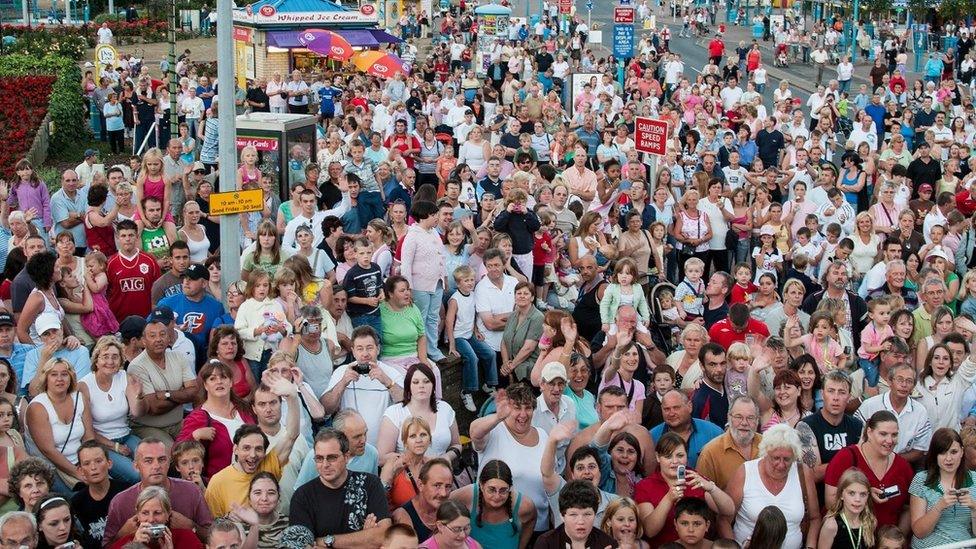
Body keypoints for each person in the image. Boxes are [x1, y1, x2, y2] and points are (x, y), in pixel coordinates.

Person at [203, 374, 300, 517]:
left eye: (259, 449)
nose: (253, 455)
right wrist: (227, 520)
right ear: (235, 449)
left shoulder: (268, 465)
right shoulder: (218, 482)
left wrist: (292, 396)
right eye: (246, 448)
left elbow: (292, 434)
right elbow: (212, 526)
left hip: (273, 534)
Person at [290, 429, 391, 546]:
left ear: (346, 457)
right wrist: (365, 540)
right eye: (319, 458)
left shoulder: (370, 484)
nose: (325, 464)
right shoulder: (302, 497)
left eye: (332, 457)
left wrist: (327, 541)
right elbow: (304, 546)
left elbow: (383, 535)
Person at [471, 384, 550, 533]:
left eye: (527, 408)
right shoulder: (495, 430)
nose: (523, 414)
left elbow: (550, 479)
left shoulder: (543, 435)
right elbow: (474, 431)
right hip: (499, 526)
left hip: (538, 525)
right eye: (517, 408)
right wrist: (498, 417)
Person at [103, 438, 213, 546]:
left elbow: (212, 537)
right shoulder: (120, 502)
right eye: (148, 461)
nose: (156, 466)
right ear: (136, 466)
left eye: (161, 459)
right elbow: (106, 546)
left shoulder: (191, 491)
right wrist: (123, 534)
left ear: (168, 463)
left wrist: (191, 526)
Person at [727, 423, 821, 549]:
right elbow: (724, 519)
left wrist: (810, 547)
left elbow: (815, 518)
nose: (781, 465)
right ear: (765, 453)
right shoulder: (746, 472)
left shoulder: (803, 473)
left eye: (787, 459)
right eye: (776, 458)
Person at [634, 431, 735, 545]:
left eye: (680, 455)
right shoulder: (645, 486)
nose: (675, 461)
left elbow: (729, 510)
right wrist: (668, 498)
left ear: (687, 455)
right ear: (658, 457)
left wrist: (711, 488)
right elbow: (650, 531)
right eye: (668, 456)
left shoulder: (694, 478)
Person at [824, 410, 913, 530]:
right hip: (852, 538)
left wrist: (898, 538)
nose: (890, 440)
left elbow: (908, 508)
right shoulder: (846, 458)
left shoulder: (902, 466)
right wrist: (865, 494)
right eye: (883, 434)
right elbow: (830, 503)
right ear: (869, 432)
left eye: (894, 435)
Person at [321, 326, 405, 446]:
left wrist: (387, 381)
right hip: (348, 448)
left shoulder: (391, 372)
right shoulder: (342, 371)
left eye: (369, 348)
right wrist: (343, 383)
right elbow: (325, 409)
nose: (365, 354)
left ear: (378, 349)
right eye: (360, 349)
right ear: (353, 351)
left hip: (382, 447)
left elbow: (407, 403)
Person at [78, 336, 145, 485]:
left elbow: (136, 413)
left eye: (115, 357)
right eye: (105, 357)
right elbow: (87, 430)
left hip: (126, 435)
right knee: (136, 474)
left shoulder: (124, 377)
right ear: (96, 359)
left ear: (121, 360)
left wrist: (139, 396)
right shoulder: (84, 385)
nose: (110, 362)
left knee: (150, 461)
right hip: (101, 442)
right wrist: (114, 446)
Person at [127, 312, 199, 444]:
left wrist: (166, 394)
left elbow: (194, 392)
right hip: (149, 427)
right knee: (170, 451)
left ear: (169, 338)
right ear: (143, 341)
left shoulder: (178, 357)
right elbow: (154, 407)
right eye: (152, 336)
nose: (158, 339)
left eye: (162, 334)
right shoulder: (136, 366)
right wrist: (182, 395)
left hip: (177, 423)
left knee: (198, 445)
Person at [24, 357, 93, 491]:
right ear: (46, 378)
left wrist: (89, 464)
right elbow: (48, 450)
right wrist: (77, 472)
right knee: (79, 499)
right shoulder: (38, 407)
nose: (60, 379)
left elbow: (89, 437)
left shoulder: (79, 397)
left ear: (71, 377)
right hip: (50, 468)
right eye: (54, 374)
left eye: (64, 374)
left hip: (81, 461)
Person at [908, 427, 976, 547]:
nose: (948, 459)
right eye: (942, 453)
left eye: (953, 452)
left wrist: (974, 507)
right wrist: (940, 506)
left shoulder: (974, 479)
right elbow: (919, 532)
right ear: (934, 455)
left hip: (963, 545)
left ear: (962, 452)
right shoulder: (921, 479)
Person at [449, 459, 537, 549]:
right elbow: (442, 505)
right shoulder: (468, 495)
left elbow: (531, 520)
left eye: (503, 490)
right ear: (482, 486)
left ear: (510, 488)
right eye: (492, 489)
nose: (497, 496)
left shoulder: (523, 506)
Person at [696, 396, 763, 491]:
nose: (744, 423)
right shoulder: (710, 453)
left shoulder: (768, 446)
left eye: (750, 418)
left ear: (757, 420)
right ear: (729, 417)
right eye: (738, 417)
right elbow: (702, 495)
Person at [108, 485, 206, 548]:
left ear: (168, 513)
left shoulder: (187, 538)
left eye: (157, 513)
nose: (151, 519)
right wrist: (135, 546)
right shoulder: (125, 543)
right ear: (137, 514)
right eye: (145, 513)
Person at [649, 391, 723, 469]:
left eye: (676, 408)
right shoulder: (652, 437)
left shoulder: (713, 432)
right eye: (667, 409)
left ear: (689, 406)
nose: (671, 413)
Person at [535, 480, 617, 549]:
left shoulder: (607, 544)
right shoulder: (546, 543)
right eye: (573, 514)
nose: (581, 521)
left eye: (587, 514)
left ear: (595, 514)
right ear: (562, 516)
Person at [390, 458, 455, 542]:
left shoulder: (451, 511)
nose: (444, 493)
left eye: (448, 486)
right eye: (437, 485)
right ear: (420, 485)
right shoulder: (403, 515)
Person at [230, 471, 291, 548]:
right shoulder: (235, 522)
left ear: (278, 497)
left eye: (271, 493)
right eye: (257, 493)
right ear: (249, 498)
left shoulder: (289, 523)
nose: (264, 498)